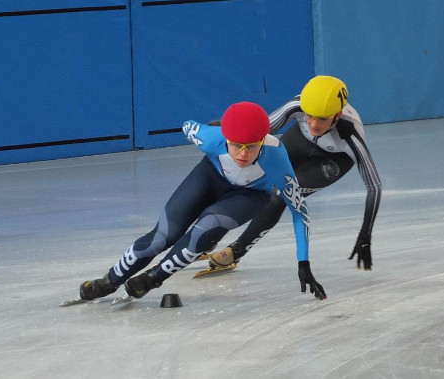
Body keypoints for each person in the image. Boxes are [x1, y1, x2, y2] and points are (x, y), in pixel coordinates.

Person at [79, 101, 327, 302]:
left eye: (250, 147)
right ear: (225, 138)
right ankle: (110, 280)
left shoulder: (277, 159)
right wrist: (219, 127)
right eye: (236, 145)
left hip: (250, 194)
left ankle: (153, 278)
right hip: (210, 176)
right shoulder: (211, 138)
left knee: (204, 229)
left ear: (263, 140)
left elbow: (299, 212)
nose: (242, 154)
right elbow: (187, 126)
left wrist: (303, 262)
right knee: (163, 236)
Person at [208, 76, 382, 272]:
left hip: (334, 160)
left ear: (337, 115)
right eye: (309, 115)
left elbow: (374, 186)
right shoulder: (297, 105)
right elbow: (262, 129)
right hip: (301, 140)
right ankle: (212, 235)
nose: (314, 124)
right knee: (247, 174)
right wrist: (229, 130)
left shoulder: (350, 135)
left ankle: (237, 250)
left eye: (323, 118)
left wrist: (365, 235)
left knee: (280, 194)